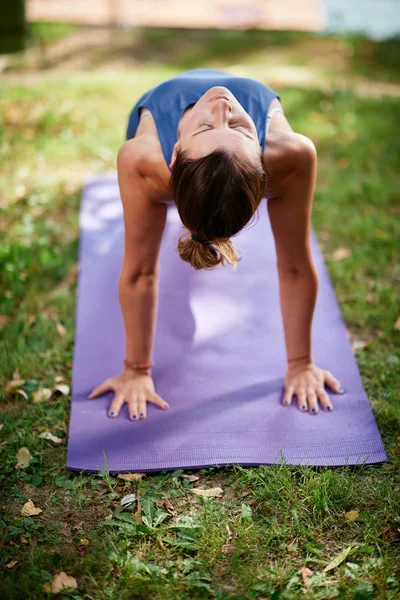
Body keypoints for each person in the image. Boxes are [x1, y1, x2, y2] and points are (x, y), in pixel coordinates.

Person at [88, 68, 345, 421]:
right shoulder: (143, 158)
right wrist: (136, 370)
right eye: (206, 127)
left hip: (240, 133)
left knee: (224, 184)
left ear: (264, 168)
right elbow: (139, 273)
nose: (222, 107)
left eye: (238, 127)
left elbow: (296, 267)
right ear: (174, 155)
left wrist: (301, 365)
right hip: (162, 98)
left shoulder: (291, 156)